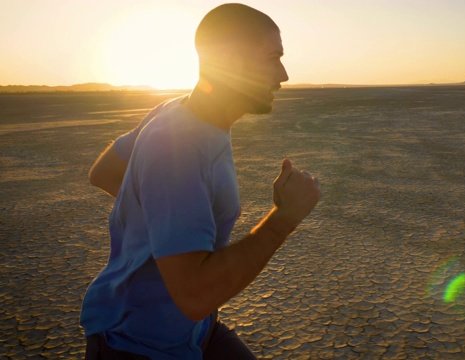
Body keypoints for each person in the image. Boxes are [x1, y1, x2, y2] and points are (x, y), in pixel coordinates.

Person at [81, 4, 321, 359]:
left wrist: (165, 216)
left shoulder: (178, 111)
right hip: (137, 345)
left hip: (196, 332)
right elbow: (194, 295)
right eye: (273, 57)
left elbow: (104, 172)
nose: (283, 74)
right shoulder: (177, 144)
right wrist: (283, 220)